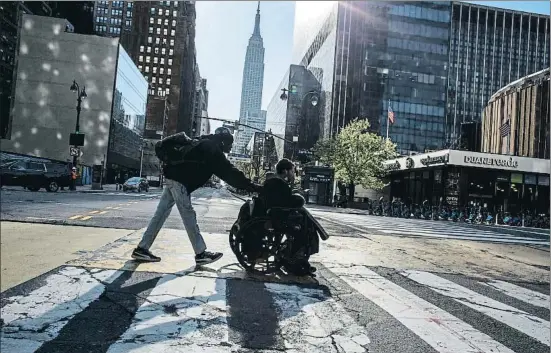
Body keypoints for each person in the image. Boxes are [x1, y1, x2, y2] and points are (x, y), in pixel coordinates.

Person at [131, 130, 261, 265]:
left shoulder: (205, 143)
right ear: (223, 141)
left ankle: (142, 248)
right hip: (179, 181)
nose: (231, 147)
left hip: (173, 177)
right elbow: (228, 172)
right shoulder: (212, 149)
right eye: (230, 144)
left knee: (161, 214)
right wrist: (249, 185)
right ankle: (200, 253)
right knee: (188, 215)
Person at [259, 158, 319, 276]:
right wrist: (298, 198)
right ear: (285, 171)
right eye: (292, 171)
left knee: (305, 222)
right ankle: (296, 259)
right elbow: (288, 202)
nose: (294, 174)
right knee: (304, 230)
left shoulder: (273, 181)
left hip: (275, 215)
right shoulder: (279, 184)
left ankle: (295, 257)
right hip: (279, 219)